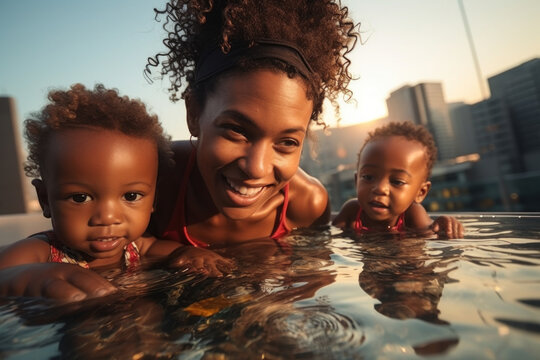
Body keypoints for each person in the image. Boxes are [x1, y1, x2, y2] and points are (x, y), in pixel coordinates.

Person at [145, 0, 360, 253]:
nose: (256, 168)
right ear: (194, 113)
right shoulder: (153, 180)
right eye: (237, 131)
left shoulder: (307, 206)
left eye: (287, 143)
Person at [0, 84, 232, 301]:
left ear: (155, 198)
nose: (108, 217)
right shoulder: (38, 253)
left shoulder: (136, 247)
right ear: (44, 200)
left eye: (131, 196)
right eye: (80, 198)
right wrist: (23, 278)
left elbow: (176, 253)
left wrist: (190, 254)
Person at [332, 122, 464, 238]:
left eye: (397, 182)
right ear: (356, 181)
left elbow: (429, 234)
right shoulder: (352, 211)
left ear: (421, 192)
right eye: (368, 177)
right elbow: (329, 241)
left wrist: (441, 227)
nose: (379, 188)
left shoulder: (413, 215)